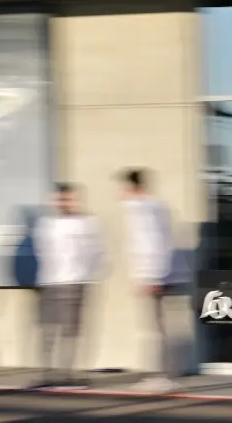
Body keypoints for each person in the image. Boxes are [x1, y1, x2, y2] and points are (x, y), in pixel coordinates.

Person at [32, 183, 105, 388]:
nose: (64, 203)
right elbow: (41, 251)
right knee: (48, 329)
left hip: (75, 281)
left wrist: (87, 275)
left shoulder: (87, 223)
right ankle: (48, 373)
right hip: (49, 281)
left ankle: (67, 372)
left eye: (68, 199)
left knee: (70, 331)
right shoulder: (46, 223)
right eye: (60, 199)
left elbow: (97, 252)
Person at [118, 167, 177, 392]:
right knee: (156, 326)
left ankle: (159, 377)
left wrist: (150, 275)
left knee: (153, 327)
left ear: (132, 187)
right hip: (154, 272)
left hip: (152, 274)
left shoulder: (143, 209)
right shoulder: (153, 207)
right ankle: (159, 375)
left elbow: (151, 243)